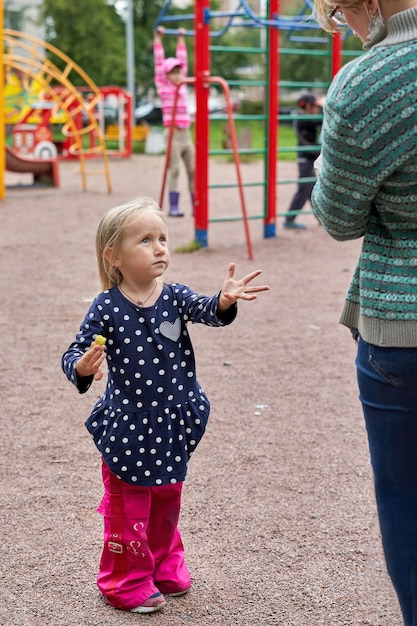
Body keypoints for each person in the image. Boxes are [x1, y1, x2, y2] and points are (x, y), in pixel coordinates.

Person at [61, 196, 269, 615]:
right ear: (113, 255)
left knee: (167, 496)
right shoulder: (106, 306)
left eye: (162, 238)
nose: (159, 248)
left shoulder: (174, 295)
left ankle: (162, 562)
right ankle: (124, 580)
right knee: (130, 503)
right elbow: (75, 353)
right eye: (145, 240)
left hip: (172, 419)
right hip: (129, 426)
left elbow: (206, 310)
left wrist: (224, 300)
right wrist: (83, 366)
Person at [311, 2, 417, 625]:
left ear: (367, 5)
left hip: (401, 326)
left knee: (406, 499)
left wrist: (333, 171)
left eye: (336, 13)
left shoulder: (367, 81)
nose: (341, 26)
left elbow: (339, 217)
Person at [154, 26, 194, 217]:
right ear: (167, 75)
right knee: (175, 170)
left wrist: (180, 39)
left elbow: (183, 60)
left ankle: (196, 205)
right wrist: (158, 39)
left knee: (193, 170)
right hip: (172, 134)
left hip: (186, 134)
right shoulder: (164, 87)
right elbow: (159, 63)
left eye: (180, 72)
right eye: (174, 72)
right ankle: (174, 206)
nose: (178, 75)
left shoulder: (184, 87)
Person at [284, 92, 322, 230]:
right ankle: (289, 218)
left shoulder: (303, 117)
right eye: (315, 106)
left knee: (311, 189)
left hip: (308, 158)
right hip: (305, 159)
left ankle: (321, 218)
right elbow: (318, 121)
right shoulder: (303, 119)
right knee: (304, 189)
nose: (317, 110)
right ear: (308, 106)